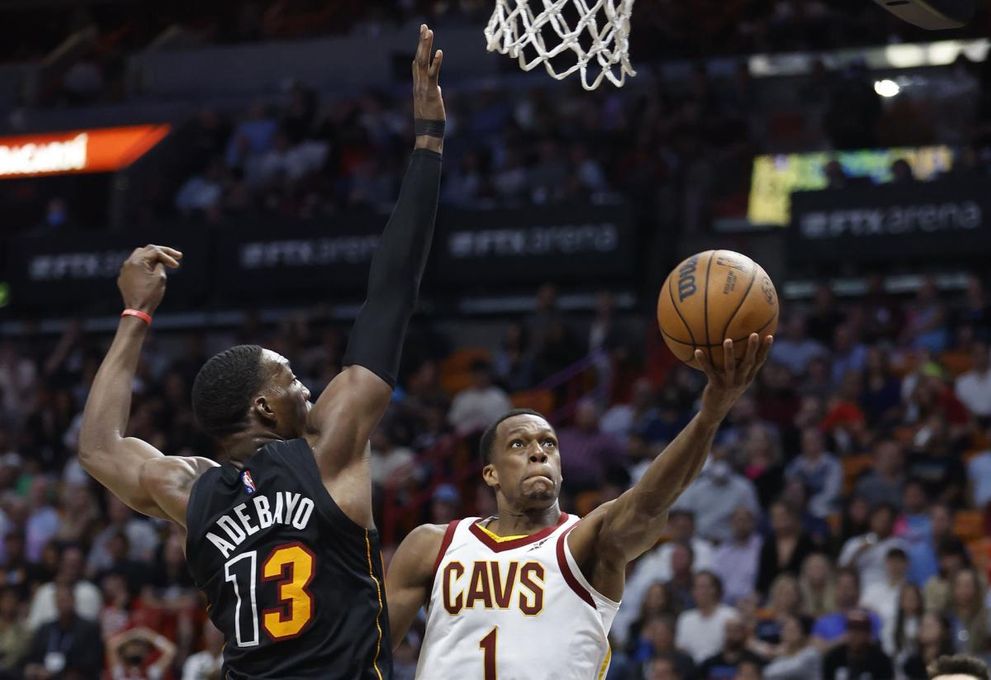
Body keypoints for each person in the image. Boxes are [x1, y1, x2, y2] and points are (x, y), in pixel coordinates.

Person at [76, 25, 446, 680]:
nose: (306, 388)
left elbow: (100, 448)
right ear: (264, 407)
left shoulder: (188, 490)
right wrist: (427, 145)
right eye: (291, 378)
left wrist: (135, 313)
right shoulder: (327, 451)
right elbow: (390, 296)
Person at [386, 335, 773, 678]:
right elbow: (368, 651)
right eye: (519, 444)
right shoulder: (433, 545)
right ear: (491, 473)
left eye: (548, 444)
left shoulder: (585, 540)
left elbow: (649, 502)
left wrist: (709, 417)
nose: (539, 452)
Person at [23, 584, 104, 680]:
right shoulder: (45, 628)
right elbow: (33, 655)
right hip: (44, 674)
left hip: (75, 675)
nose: (64, 604)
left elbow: (92, 661)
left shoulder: (89, 628)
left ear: (74, 600)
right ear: (55, 603)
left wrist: (61, 672)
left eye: (66, 600)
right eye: (60, 600)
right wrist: (35, 668)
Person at [675, 571, 741, 665]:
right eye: (696, 587)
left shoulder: (730, 615)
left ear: (714, 590)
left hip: (720, 667)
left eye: (703, 587)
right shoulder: (685, 618)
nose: (700, 592)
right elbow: (681, 649)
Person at [822, 609, 894, 680]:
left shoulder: (881, 661)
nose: (854, 636)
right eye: (851, 630)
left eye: (859, 631)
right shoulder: (833, 658)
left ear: (868, 635)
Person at [696, 614, 764, 679]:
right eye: (729, 631)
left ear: (744, 634)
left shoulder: (754, 660)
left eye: (736, 631)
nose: (732, 635)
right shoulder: (710, 663)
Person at [763, 614, 821, 680]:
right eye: (785, 630)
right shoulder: (782, 657)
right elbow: (767, 673)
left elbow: (770, 672)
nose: (785, 634)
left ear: (802, 634)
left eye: (791, 630)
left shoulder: (811, 653)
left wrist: (777, 652)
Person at [105, 626, 176, 680]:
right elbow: (111, 646)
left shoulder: (151, 672)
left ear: (145, 653)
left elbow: (170, 650)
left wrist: (147, 635)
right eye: (132, 646)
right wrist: (131, 635)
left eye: (138, 647)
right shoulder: (120, 672)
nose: (135, 649)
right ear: (124, 652)